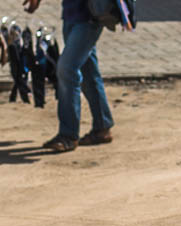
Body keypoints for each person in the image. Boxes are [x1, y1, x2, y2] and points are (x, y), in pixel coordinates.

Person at [23, 0, 114, 152]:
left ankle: (68, 135)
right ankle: (102, 127)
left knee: (67, 69)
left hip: (91, 18)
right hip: (72, 14)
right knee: (87, 69)